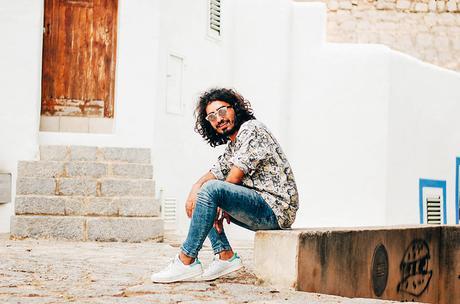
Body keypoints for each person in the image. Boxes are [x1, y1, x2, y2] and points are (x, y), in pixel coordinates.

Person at [151, 88, 299, 283]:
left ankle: (186, 260)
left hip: (276, 209)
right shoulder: (233, 146)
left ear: (235, 109)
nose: (218, 119)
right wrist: (195, 188)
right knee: (205, 193)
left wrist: (217, 202)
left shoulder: (252, 129)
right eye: (212, 117)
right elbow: (214, 173)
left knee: (211, 190)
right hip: (261, 208)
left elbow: (234, 177)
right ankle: (224, 256)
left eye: (222, 111)